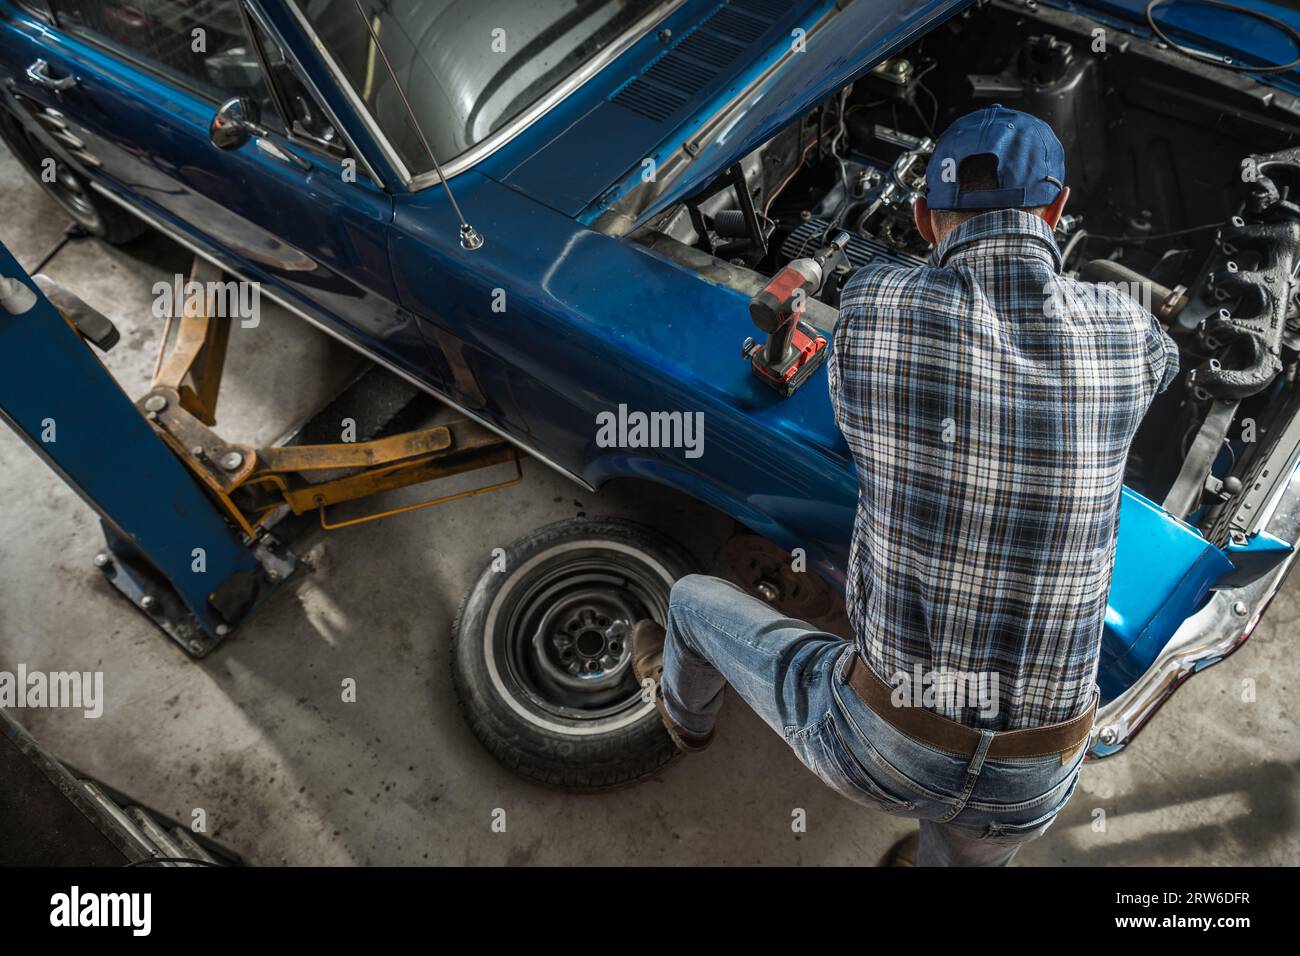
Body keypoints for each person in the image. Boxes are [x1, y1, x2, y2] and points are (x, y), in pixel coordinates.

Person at [631, 104, 1180, 866]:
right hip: (1039, 773)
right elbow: (1163, 364)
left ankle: (685, 719)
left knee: (690, 603)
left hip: (887, 747)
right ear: (1056, 210)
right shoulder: (1125, 329)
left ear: (922, 217)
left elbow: (842, 374)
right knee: (969, 846)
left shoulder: (877, 306)